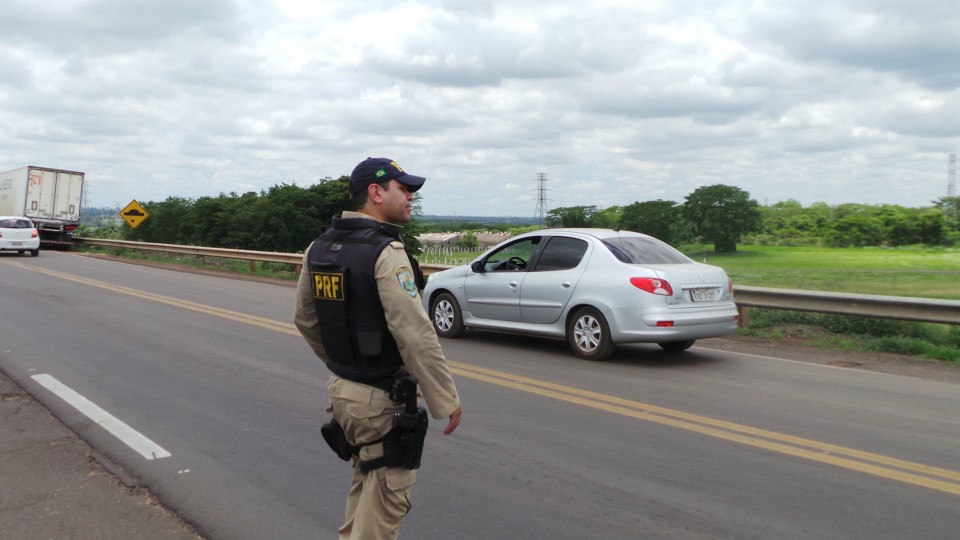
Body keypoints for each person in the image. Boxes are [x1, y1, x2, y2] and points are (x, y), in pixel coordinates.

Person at [294, 157, 462, 540]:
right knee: (387, 500)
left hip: (344, 394)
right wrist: (445, 398)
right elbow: (415, 332)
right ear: (375, 192)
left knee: (366, 487)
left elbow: (305, 319)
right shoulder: (385, 252)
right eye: (403, 190)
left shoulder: (319, 246)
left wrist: (346, 366)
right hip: (379, 400)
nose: (409, 198)